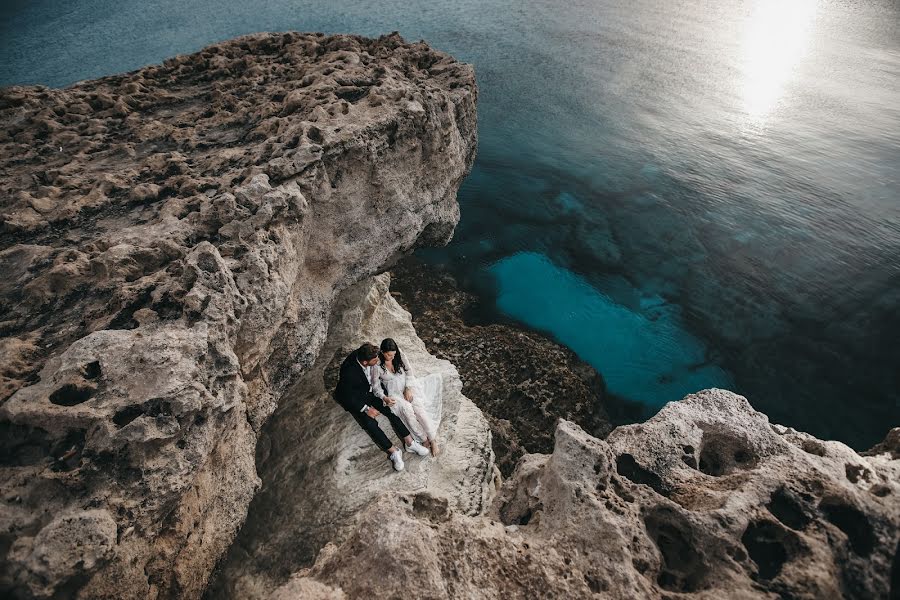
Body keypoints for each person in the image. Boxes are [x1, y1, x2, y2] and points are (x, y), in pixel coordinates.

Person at [333, 342, 430, 471]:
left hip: (373, 392)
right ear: (366, 362)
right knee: (370, 424)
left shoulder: (367, 353)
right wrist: (366, 409)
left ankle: (410, 443)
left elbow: (376, 382)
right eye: (375, 360)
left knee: (390, 410)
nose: (379, 360)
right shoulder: (349, 372)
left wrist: (384, 397)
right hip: (357, 398)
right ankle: (393, 451)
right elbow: (345, 394)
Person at [374, 338, 440, 457]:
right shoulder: (377, 366)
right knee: (408, 413)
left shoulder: (399, 355)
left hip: (408, 388)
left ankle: (433, 440)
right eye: (389, 355)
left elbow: (409, 371)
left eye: (394, 355)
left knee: (419, 412)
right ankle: (424, 439)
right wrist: (384, 398)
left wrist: (408, 387)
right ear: (382, 352)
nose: (392, 358)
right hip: (394, 395)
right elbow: (376, 387)